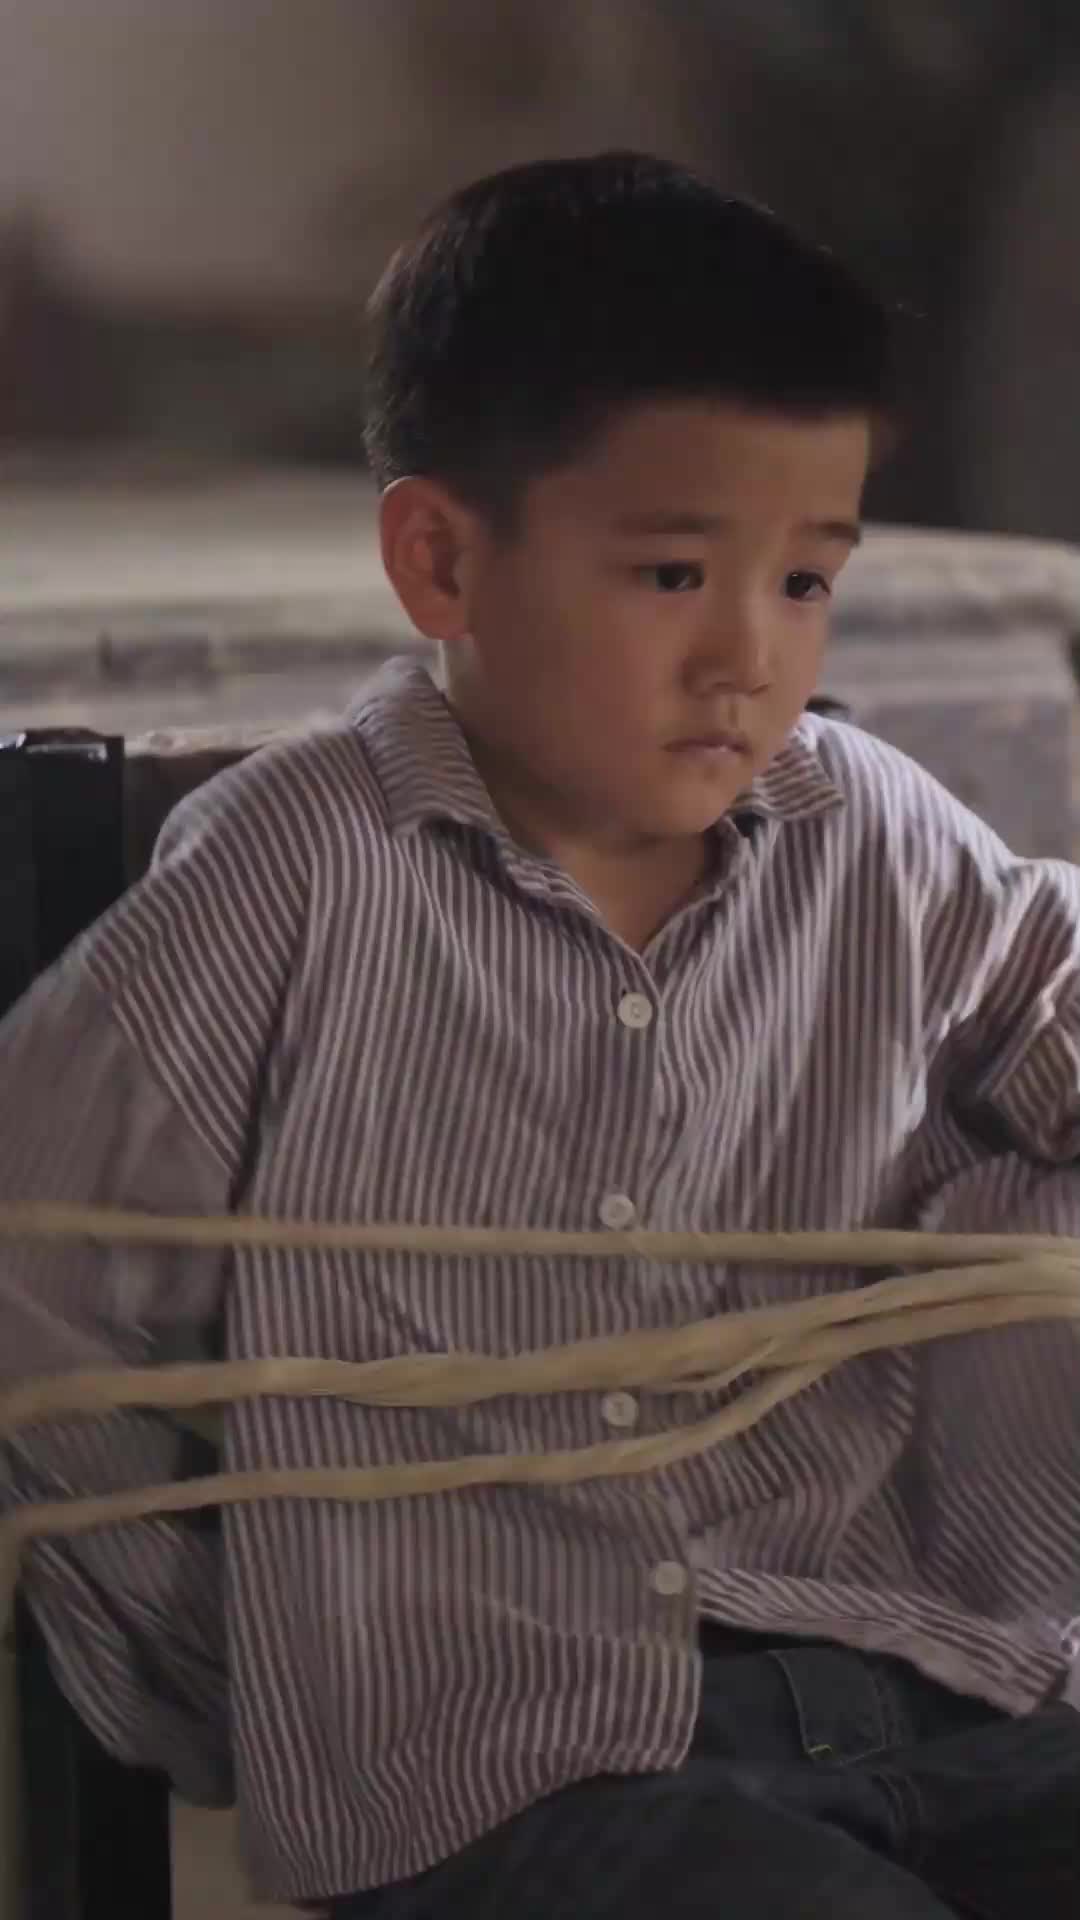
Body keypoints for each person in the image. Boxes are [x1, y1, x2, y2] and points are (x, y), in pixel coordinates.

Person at [1, 152, 1079, 1918]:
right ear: (441, 559)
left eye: (806, 582)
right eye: (671, 573)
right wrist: (246, 1667)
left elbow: (1060, 1002)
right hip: (524, 1775)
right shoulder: (296, 870)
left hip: (945, 1690)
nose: (746, 657)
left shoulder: (870, 830)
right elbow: (40, 1275)